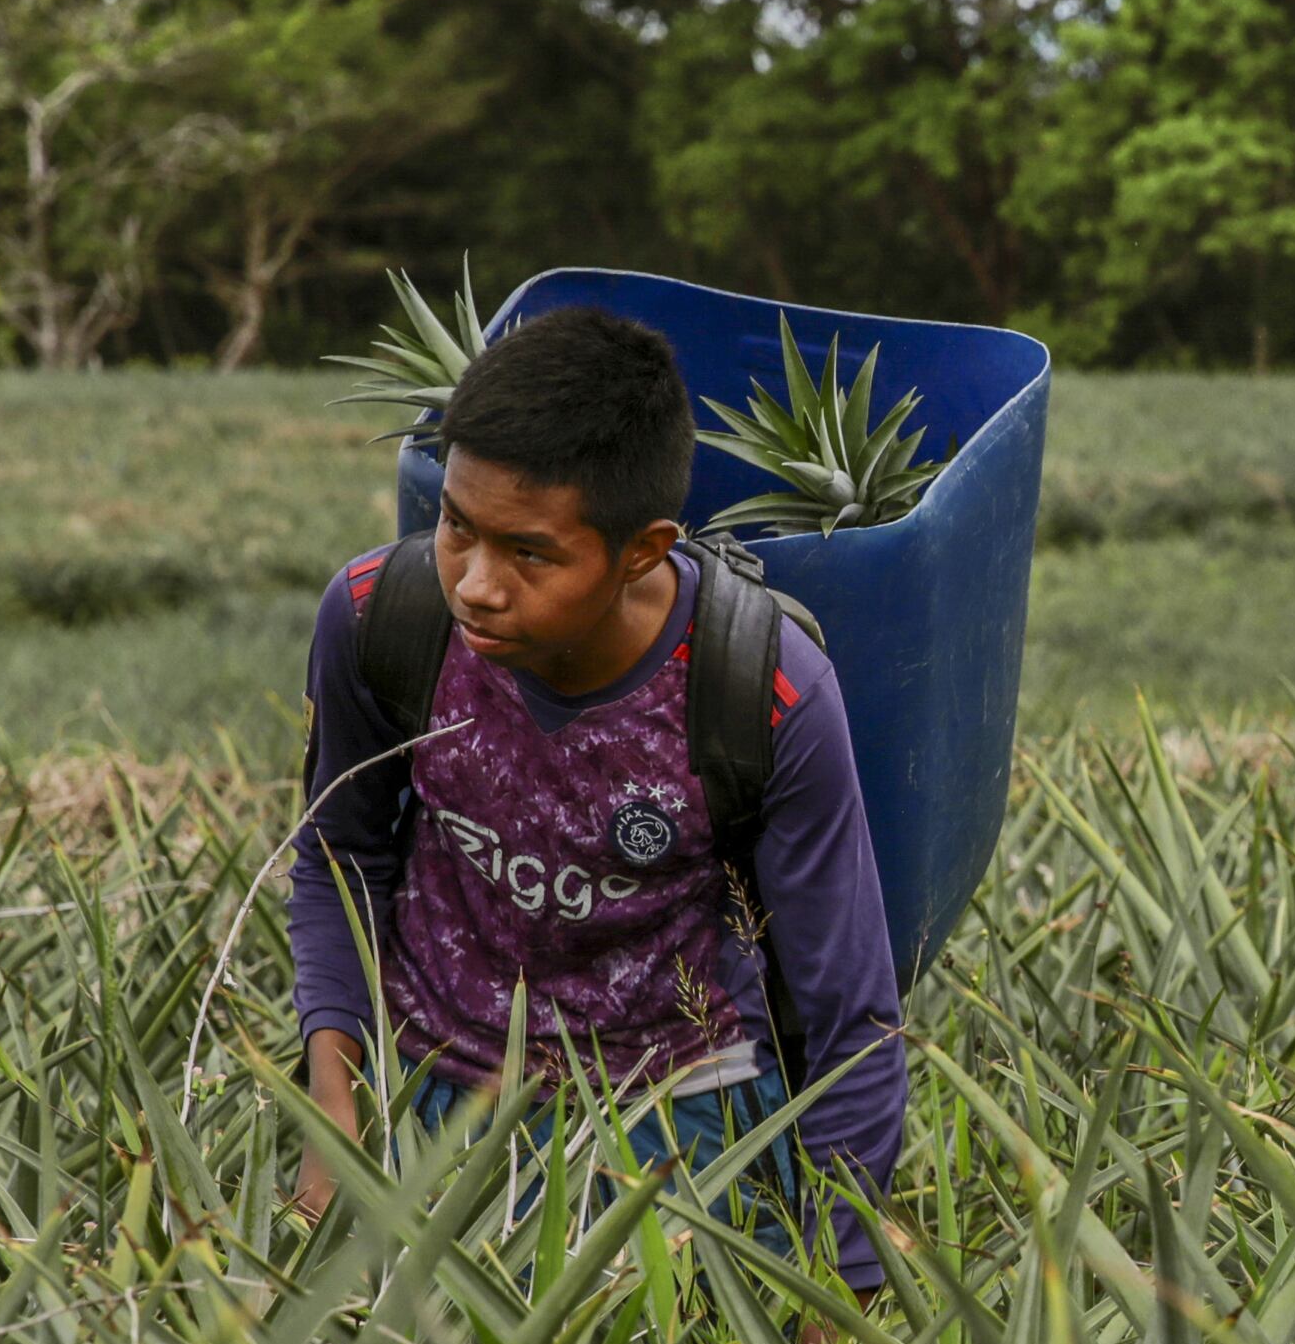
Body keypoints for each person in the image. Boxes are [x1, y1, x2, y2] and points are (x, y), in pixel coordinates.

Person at [285, 305, 906, 1291]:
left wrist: (847, 1286)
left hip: (676, 1122)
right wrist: (334, 1116)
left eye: (528, 553)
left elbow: (850, 1013)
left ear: (642, 550)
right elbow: (338, 861)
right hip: (428, 1087)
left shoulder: (764, 692)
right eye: (456, 527)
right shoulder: (377, 616)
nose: (475, 585)